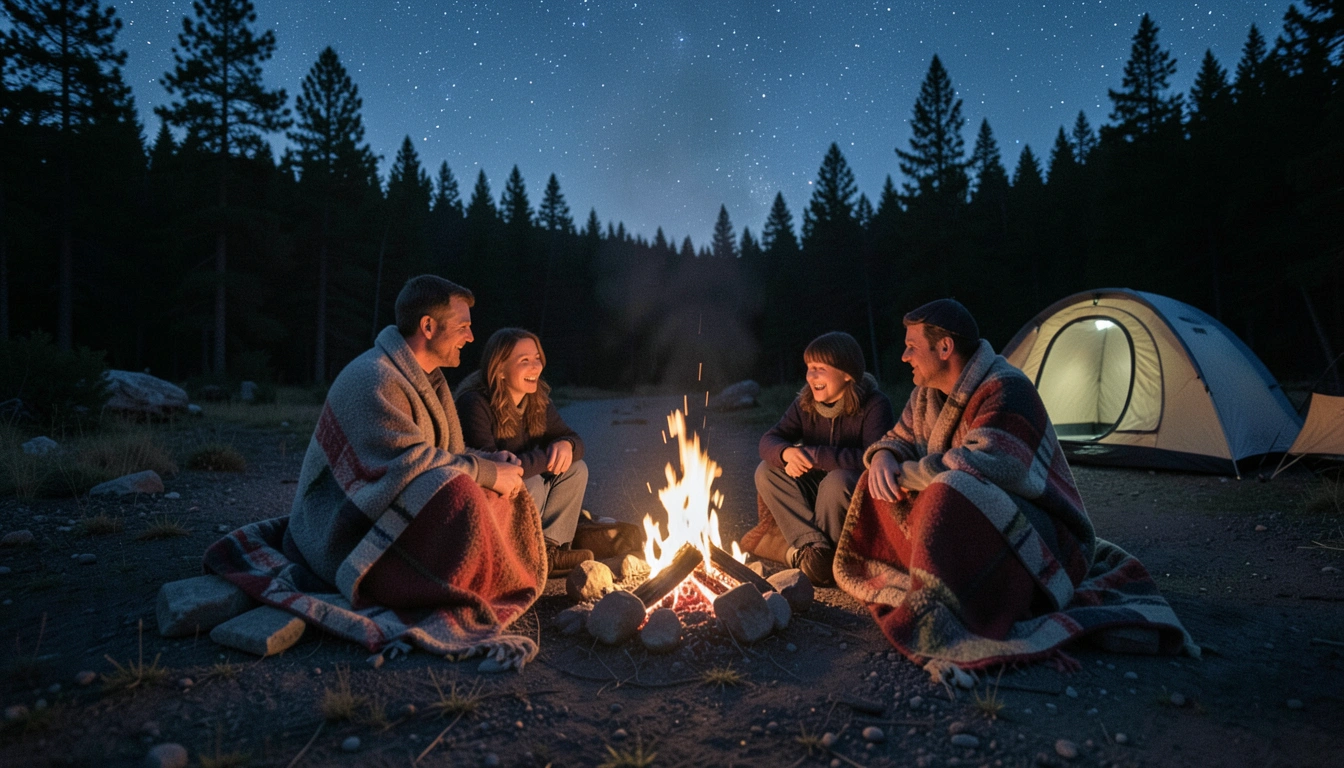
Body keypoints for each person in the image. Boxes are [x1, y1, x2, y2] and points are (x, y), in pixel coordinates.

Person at [208, 275, 549, 670]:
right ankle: (439, 586)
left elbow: (445, 455)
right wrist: (484, 473)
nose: (470, 337)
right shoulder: (375, 377)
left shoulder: (427, 379)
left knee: (500, 486)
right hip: (339, 532)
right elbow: (408, 461)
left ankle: (475, 577)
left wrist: (493, 466)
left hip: (388, 502)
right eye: (462, 327)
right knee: (463, 492)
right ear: (427, 327)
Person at [835, 299, 1192, 670]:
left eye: (912, 346)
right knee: (876, 483)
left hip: (1036, 524)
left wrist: (903, 472)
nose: (905, 356)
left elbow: (991, 463)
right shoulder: (924, 395)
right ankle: (930, 574)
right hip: (971, 511)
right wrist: (882, 457)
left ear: (944, 348)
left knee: (949, 490)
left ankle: (976, 595)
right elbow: (898, 438)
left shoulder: (1006, 388)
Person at [753, 331, 895, 586]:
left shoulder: (875, 405)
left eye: (820, 368)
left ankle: (829, 557)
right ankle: (814, 548)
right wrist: (787, 453)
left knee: (836, 482)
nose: (811, 376)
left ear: (847, 373)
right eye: (809, 368)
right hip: (814, 488)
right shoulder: (805, 404)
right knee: (767, 470)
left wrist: (816, 455)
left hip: (853, 495)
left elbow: (874, 455)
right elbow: (769, 440)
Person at [456, 328, 595, 576]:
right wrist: (548, 456)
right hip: (486, 498)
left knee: (575, 468)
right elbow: (498, 467)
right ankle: (520, 557)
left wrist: (567, 445)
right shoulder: (474, 404)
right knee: (531, 483)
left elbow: (575, 440)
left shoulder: (537, 401)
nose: (535, 367)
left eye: (537, 358)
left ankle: (549, 552)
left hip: (523, 482)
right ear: (499, 369)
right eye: (524, 361)